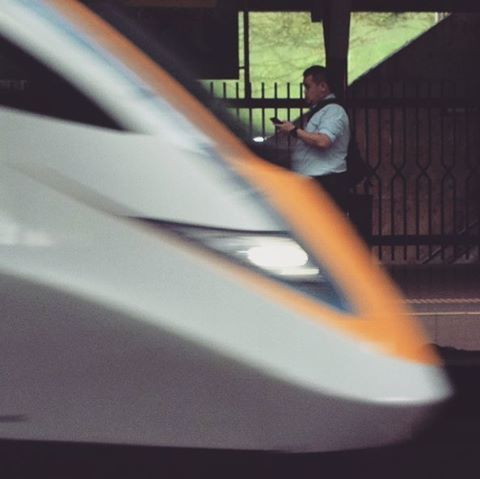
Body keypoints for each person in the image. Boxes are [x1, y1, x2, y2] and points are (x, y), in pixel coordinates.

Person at [276, 65, 350, 213]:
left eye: (307, 86)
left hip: (326, 183)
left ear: (322, 86)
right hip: (316, 182)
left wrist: (294, 131)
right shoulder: (322, 111)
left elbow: (323, 141)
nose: (305, 92)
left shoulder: (334, 111)